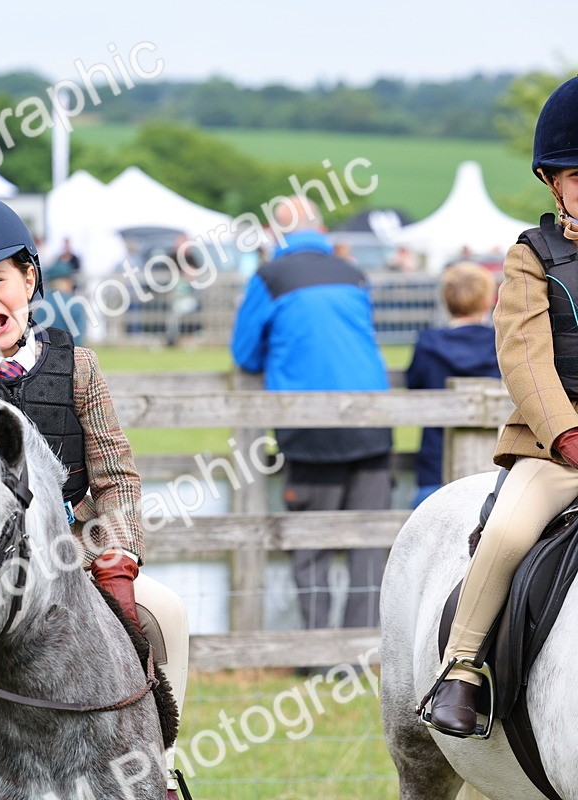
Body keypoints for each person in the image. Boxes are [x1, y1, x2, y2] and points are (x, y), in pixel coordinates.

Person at [0, 191, 187, 800]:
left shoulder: (78, 366)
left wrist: (118, 554)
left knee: (167, 616)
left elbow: (116, 477)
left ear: (29, 278)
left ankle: (155, 764)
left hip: (75, 564)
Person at [422, 75, 578, 736]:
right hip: (557, 451)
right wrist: (568, 436)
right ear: (554, 183)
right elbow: (524, 357)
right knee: (511, 531)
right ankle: (461, 669)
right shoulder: (531, 258)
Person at [231, 196, 392, 632]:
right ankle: (362, 646)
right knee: (369, 543)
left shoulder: (270, 277)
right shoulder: (354, 274)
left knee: (311, 542)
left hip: (309, 425)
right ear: (319, 230)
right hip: (374, 420)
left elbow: (244, 354)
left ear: (275, 232)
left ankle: (317, 651)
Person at [405, 262, 499, 508]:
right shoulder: (500, 343)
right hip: (495, 468)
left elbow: (413, 389)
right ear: (488, 299)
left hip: (435, 464)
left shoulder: (427, 344)